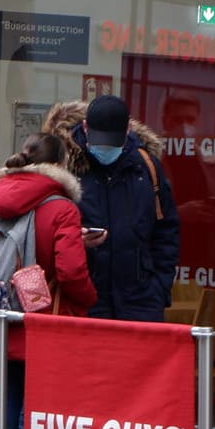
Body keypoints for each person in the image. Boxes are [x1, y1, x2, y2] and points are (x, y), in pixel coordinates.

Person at [0, 133, 96, 429]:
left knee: (4, 412)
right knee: (32, 415)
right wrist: (90, 299)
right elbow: (70, 270)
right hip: (43, 323)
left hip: (4, 317)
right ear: (60, 165)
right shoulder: (62, 208)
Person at [44, 95, 179, 321]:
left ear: (127, 130)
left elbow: (166, 230)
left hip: (140, 300)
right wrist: (75, 239)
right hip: (85, 297)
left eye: (111, 143)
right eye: (99, 142)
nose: (105, 149)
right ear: (85, 127)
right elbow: (43, 227)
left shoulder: (145, 167)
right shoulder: (64, 166)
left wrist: (159, 289)